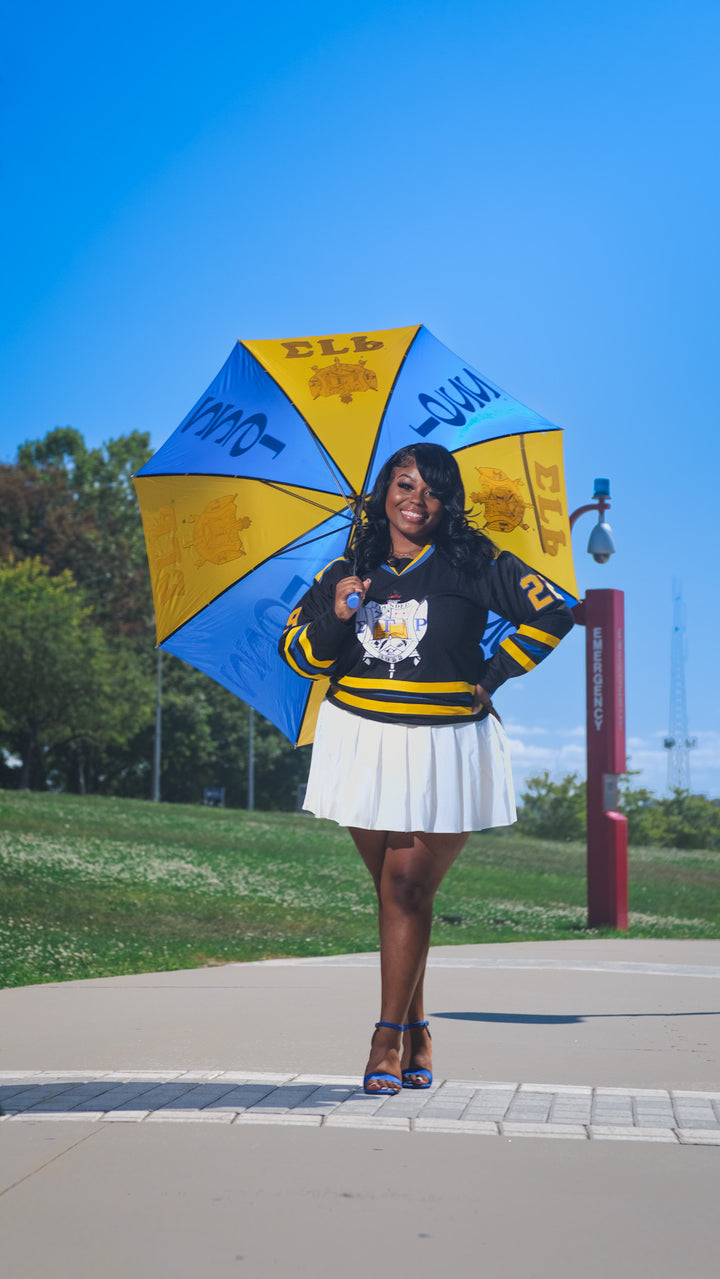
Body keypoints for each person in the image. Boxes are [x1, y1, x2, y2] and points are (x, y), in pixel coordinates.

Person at [279, 443, 574, 1094]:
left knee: (408, 889)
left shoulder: (472, 563)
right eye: (405, 483)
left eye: (433, 489)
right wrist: (339, 611)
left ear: (448, 503)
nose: (417, 498)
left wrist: (492, 675)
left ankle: (386, 1038)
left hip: (446, 743)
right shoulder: (347, 569)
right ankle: (418, 1028)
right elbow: (297, 651)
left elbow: (554, 612)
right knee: (394, 895)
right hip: (359, 740)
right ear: (384, 489)